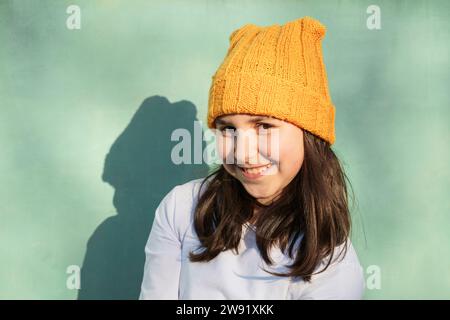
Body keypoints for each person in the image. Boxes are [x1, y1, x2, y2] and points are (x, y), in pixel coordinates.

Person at [139, 16, 365, 300]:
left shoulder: (332, 264)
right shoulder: (181, 209)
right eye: (228, 128)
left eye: (265, 126)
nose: (243, 153)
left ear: (310, 135)